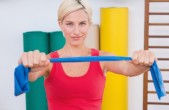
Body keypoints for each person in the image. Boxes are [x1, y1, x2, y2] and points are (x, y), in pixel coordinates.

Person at [18, 0, 156, 109]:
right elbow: (31, 75)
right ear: (60, 25)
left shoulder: (102, 58)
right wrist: (25, 62)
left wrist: (145, 62)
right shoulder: (48, 61)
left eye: (82, 23)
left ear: (89, 24)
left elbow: (129, 69)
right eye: (70, 24)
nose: (76, 31)